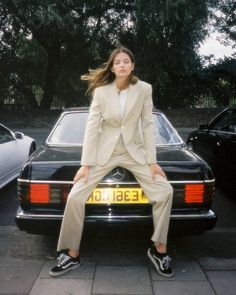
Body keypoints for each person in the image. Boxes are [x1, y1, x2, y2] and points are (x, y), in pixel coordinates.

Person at [49, 47, 174, 278]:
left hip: (134, 152)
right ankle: (72, 253)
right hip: (103, 152)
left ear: (133, 65)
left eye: (126, 61)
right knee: (76, 195)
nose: (122, 65)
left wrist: (152, 162)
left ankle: (159, 250)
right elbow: (92, 126)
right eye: (118, 62)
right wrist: (86, 164)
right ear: (112, 67)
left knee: (165, 191)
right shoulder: (101, 91)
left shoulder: (144, 89)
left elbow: (147, 125)